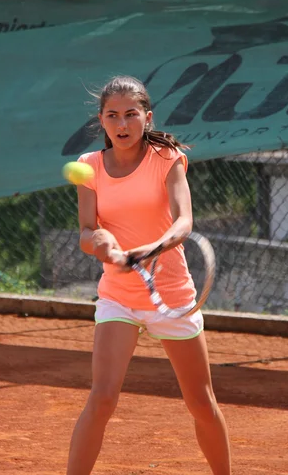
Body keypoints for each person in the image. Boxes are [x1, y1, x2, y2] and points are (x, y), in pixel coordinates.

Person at [66, 76, 231, 475]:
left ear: (147, 117)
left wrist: (152, 249)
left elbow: (184, 222)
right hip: (118, 296)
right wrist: (101, 242)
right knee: (102, 399)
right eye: (112, 116)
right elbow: (87, 233)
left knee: (200, 403)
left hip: (172, 298)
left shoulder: (166, 157)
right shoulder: (87, 168)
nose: (122, 124)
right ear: (101, 122)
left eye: (130, 114)